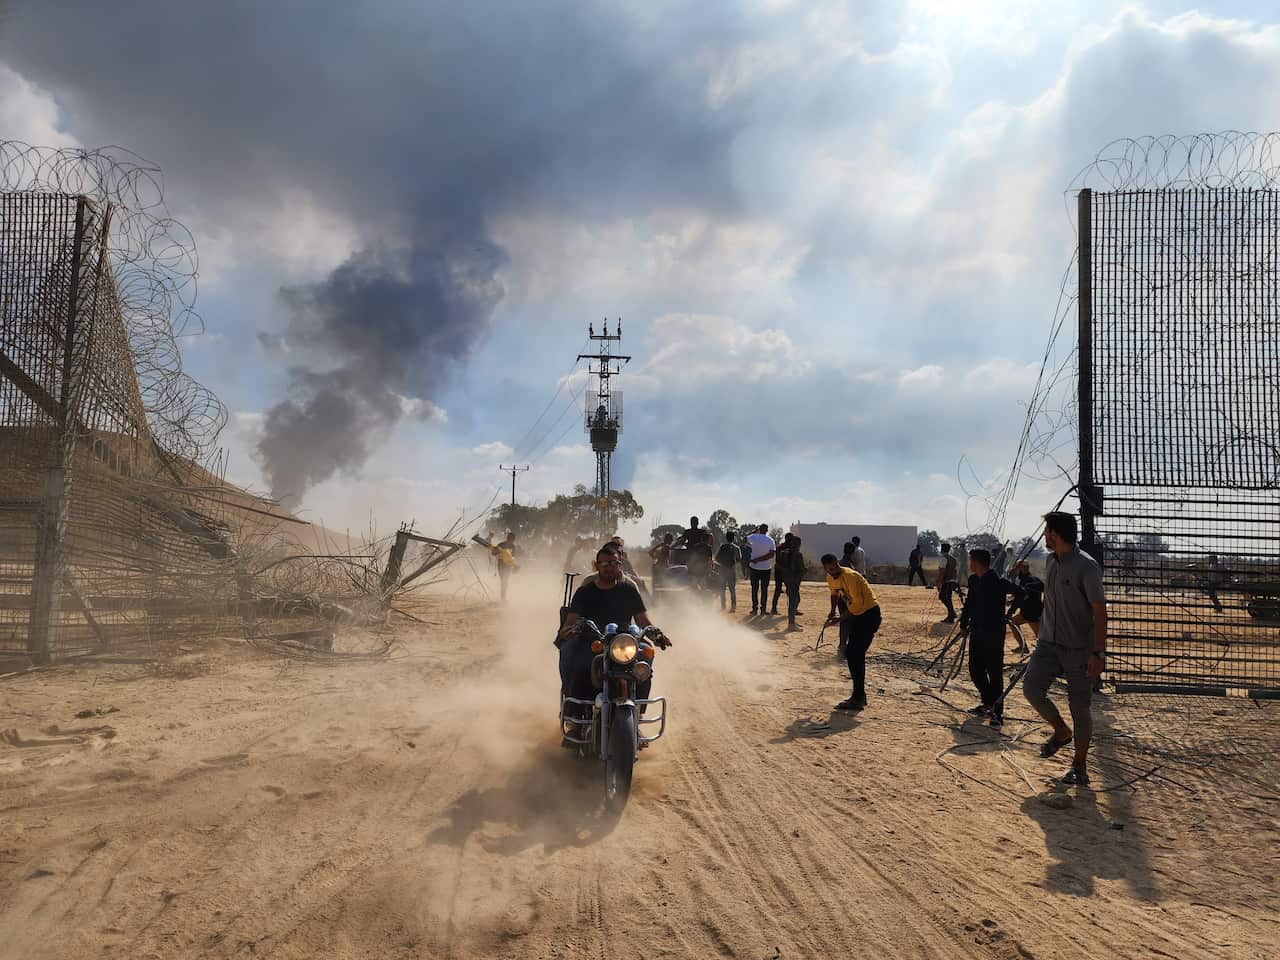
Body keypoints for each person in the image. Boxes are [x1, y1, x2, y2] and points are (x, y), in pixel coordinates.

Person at [1022, 511, 1107, 787]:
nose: (1044, 536)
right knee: (1031, 689)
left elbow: (1099, 611)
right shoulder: (1051, 562)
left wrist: (1097, 652)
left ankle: (1079, 767)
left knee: (1079, 707)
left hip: (1079, 650)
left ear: (1055, 534)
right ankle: (1060, 731)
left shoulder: (1087, 567)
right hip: (1048, 644)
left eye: (1047, 531)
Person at [557, 545, 671, 745]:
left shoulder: (628, 589)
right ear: (597, 566)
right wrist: (568, 629)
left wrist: (657, 634)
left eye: (613, 563)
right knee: (578, 663)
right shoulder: (585, 591)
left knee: (644, 663)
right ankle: (576, 724)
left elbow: (642, 619)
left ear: (620, 565)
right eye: (605, 563)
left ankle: (635, 720)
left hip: (624, 641)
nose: (609, 567)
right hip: (593, 640)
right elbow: (572, 620)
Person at [959, 548, 1022, 728]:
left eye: (971, 560)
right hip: (977, 631)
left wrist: (1009, 613)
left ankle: (997, 712)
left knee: (994, 672)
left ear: (977, 562)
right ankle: (988, 703)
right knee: (975, 669)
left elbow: (1021, 593)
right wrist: (964, 624)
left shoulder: (998, 581)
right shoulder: (973, 580)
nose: (969, 564)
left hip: (994, 632)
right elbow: (969, 604)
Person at [822, 554, 881, 711]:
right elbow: (834, 594)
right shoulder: (831, 578)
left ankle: (858, 697)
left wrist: (839, 620)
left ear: (837, 563)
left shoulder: (851, 577)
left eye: (835, 567)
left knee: (854, 654)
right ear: (826, 569)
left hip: (869, 615)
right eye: (830, 569)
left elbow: (857, 606)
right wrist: (832, 611)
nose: (834, 571)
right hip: (858, 617)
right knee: (853, 654)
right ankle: (859, 696)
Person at [1008, 559, 1044, 653]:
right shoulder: (1035, 580)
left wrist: (1012, 608)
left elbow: (1023, 596)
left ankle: (1024, 647)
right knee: (1013, 622)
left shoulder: (1027, 581)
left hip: (1030, 614)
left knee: (1042, 638)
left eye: (1017, 568)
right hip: (1033, 612)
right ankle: (1023, 647)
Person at [746, 524, 776, 615]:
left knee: (754, 589)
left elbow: (744, 540)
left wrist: (754, 532)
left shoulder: (753, 537)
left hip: (754, 567)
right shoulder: (770, 540)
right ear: (767, 530)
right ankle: (763, 609)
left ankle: (754, 609)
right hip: (766, 568)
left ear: (759, 529)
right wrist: (759, 559)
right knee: (764, 589)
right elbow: (771, 555)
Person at [779, 535, 806, 630]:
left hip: (787, 580)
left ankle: (792, 621)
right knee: (793, 601)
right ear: (799, 544)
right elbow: (801, 568)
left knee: (795, 600)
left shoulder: (784, 553)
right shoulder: (798, 554)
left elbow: (780, 566)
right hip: (794, 580)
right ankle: (791, 623)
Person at [770, 533, 795, 615]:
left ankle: (774, 609)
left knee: (779, 590)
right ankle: (791, 610)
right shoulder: (789, 548)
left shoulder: (780, 547)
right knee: (787, 590)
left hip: (780, 570)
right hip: (783, 571)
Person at [715, 531, 741, 611]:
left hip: (722, 569)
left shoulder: (722, 546)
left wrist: (723, 563)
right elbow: (739, 559)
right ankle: (733, 606)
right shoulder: (736, 548)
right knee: (732, 588)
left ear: (726, 538)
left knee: (722, 588)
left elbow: (716, 558)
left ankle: (723, 606)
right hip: (731, 569)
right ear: (733, 538)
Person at [935, 542, 959, 622]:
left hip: (946, 581)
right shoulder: (953, 559)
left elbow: (942, 571)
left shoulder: (944, 559)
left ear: (942, 549)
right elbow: (955, 571)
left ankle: (951, 614)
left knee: (943, 597)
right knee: (948, 598)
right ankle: (951, 614)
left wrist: (939, 582)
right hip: (953, 580)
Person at [491, 531, 518, 601]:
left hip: (508, 566)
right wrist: (499, 552)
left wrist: (514, 565)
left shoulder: (513, 546)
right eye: (510, 539)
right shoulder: (501, 545)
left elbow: (513, 557)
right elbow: (493, 553)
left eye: (512, 540)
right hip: (501, 565)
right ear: (507, 538)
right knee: (503, 581)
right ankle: (503, 598)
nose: (511, 541)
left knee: (505, 581)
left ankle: (503, 597)